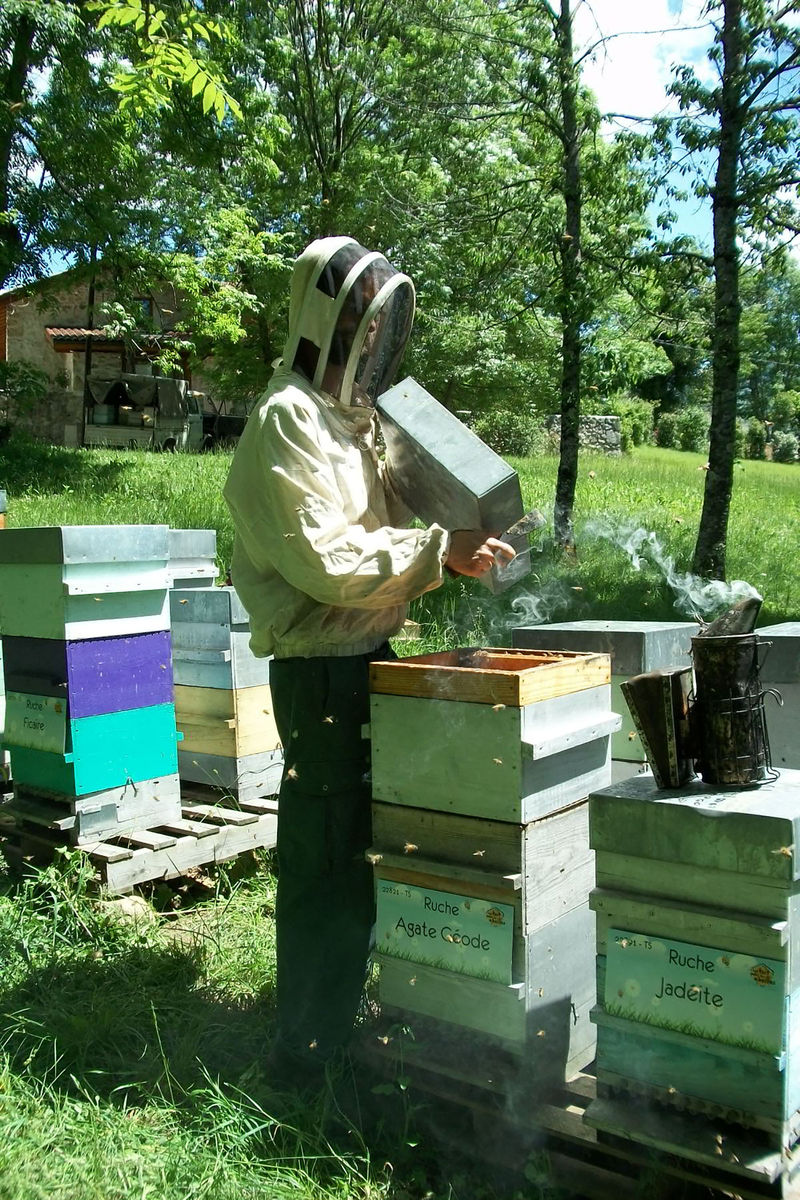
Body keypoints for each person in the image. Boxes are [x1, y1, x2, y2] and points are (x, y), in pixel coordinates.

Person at [223, 236, 514, 1091]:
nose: (374, 340)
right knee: (326, 851)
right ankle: (303, 1058)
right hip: (320, 666)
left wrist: (469, 509)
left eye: (382, 325)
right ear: (331, 320)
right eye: (364, 321)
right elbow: (327, 559)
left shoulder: (348, 423)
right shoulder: (289, 418)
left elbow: (408, 518)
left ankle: (339, 1018)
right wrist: (440, 552)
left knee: (364, 847)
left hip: (363, 653)